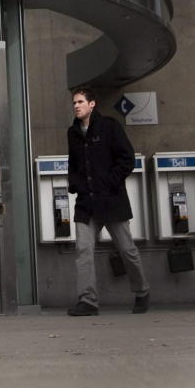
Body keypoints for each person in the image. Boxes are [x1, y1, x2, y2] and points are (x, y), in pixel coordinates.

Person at [66, 86, 149, 316]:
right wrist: (75, 185)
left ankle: (142, 291)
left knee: (127, 250)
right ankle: (88, 301)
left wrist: (109, 183)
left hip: (111, 200)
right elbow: (73, 164)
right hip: (86, 203)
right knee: (83, 250)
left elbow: (126, 159)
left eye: (80, 101)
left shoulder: (110, 127)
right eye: (74, 102)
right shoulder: (72, 133)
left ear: (92, 104)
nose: (76, 106)